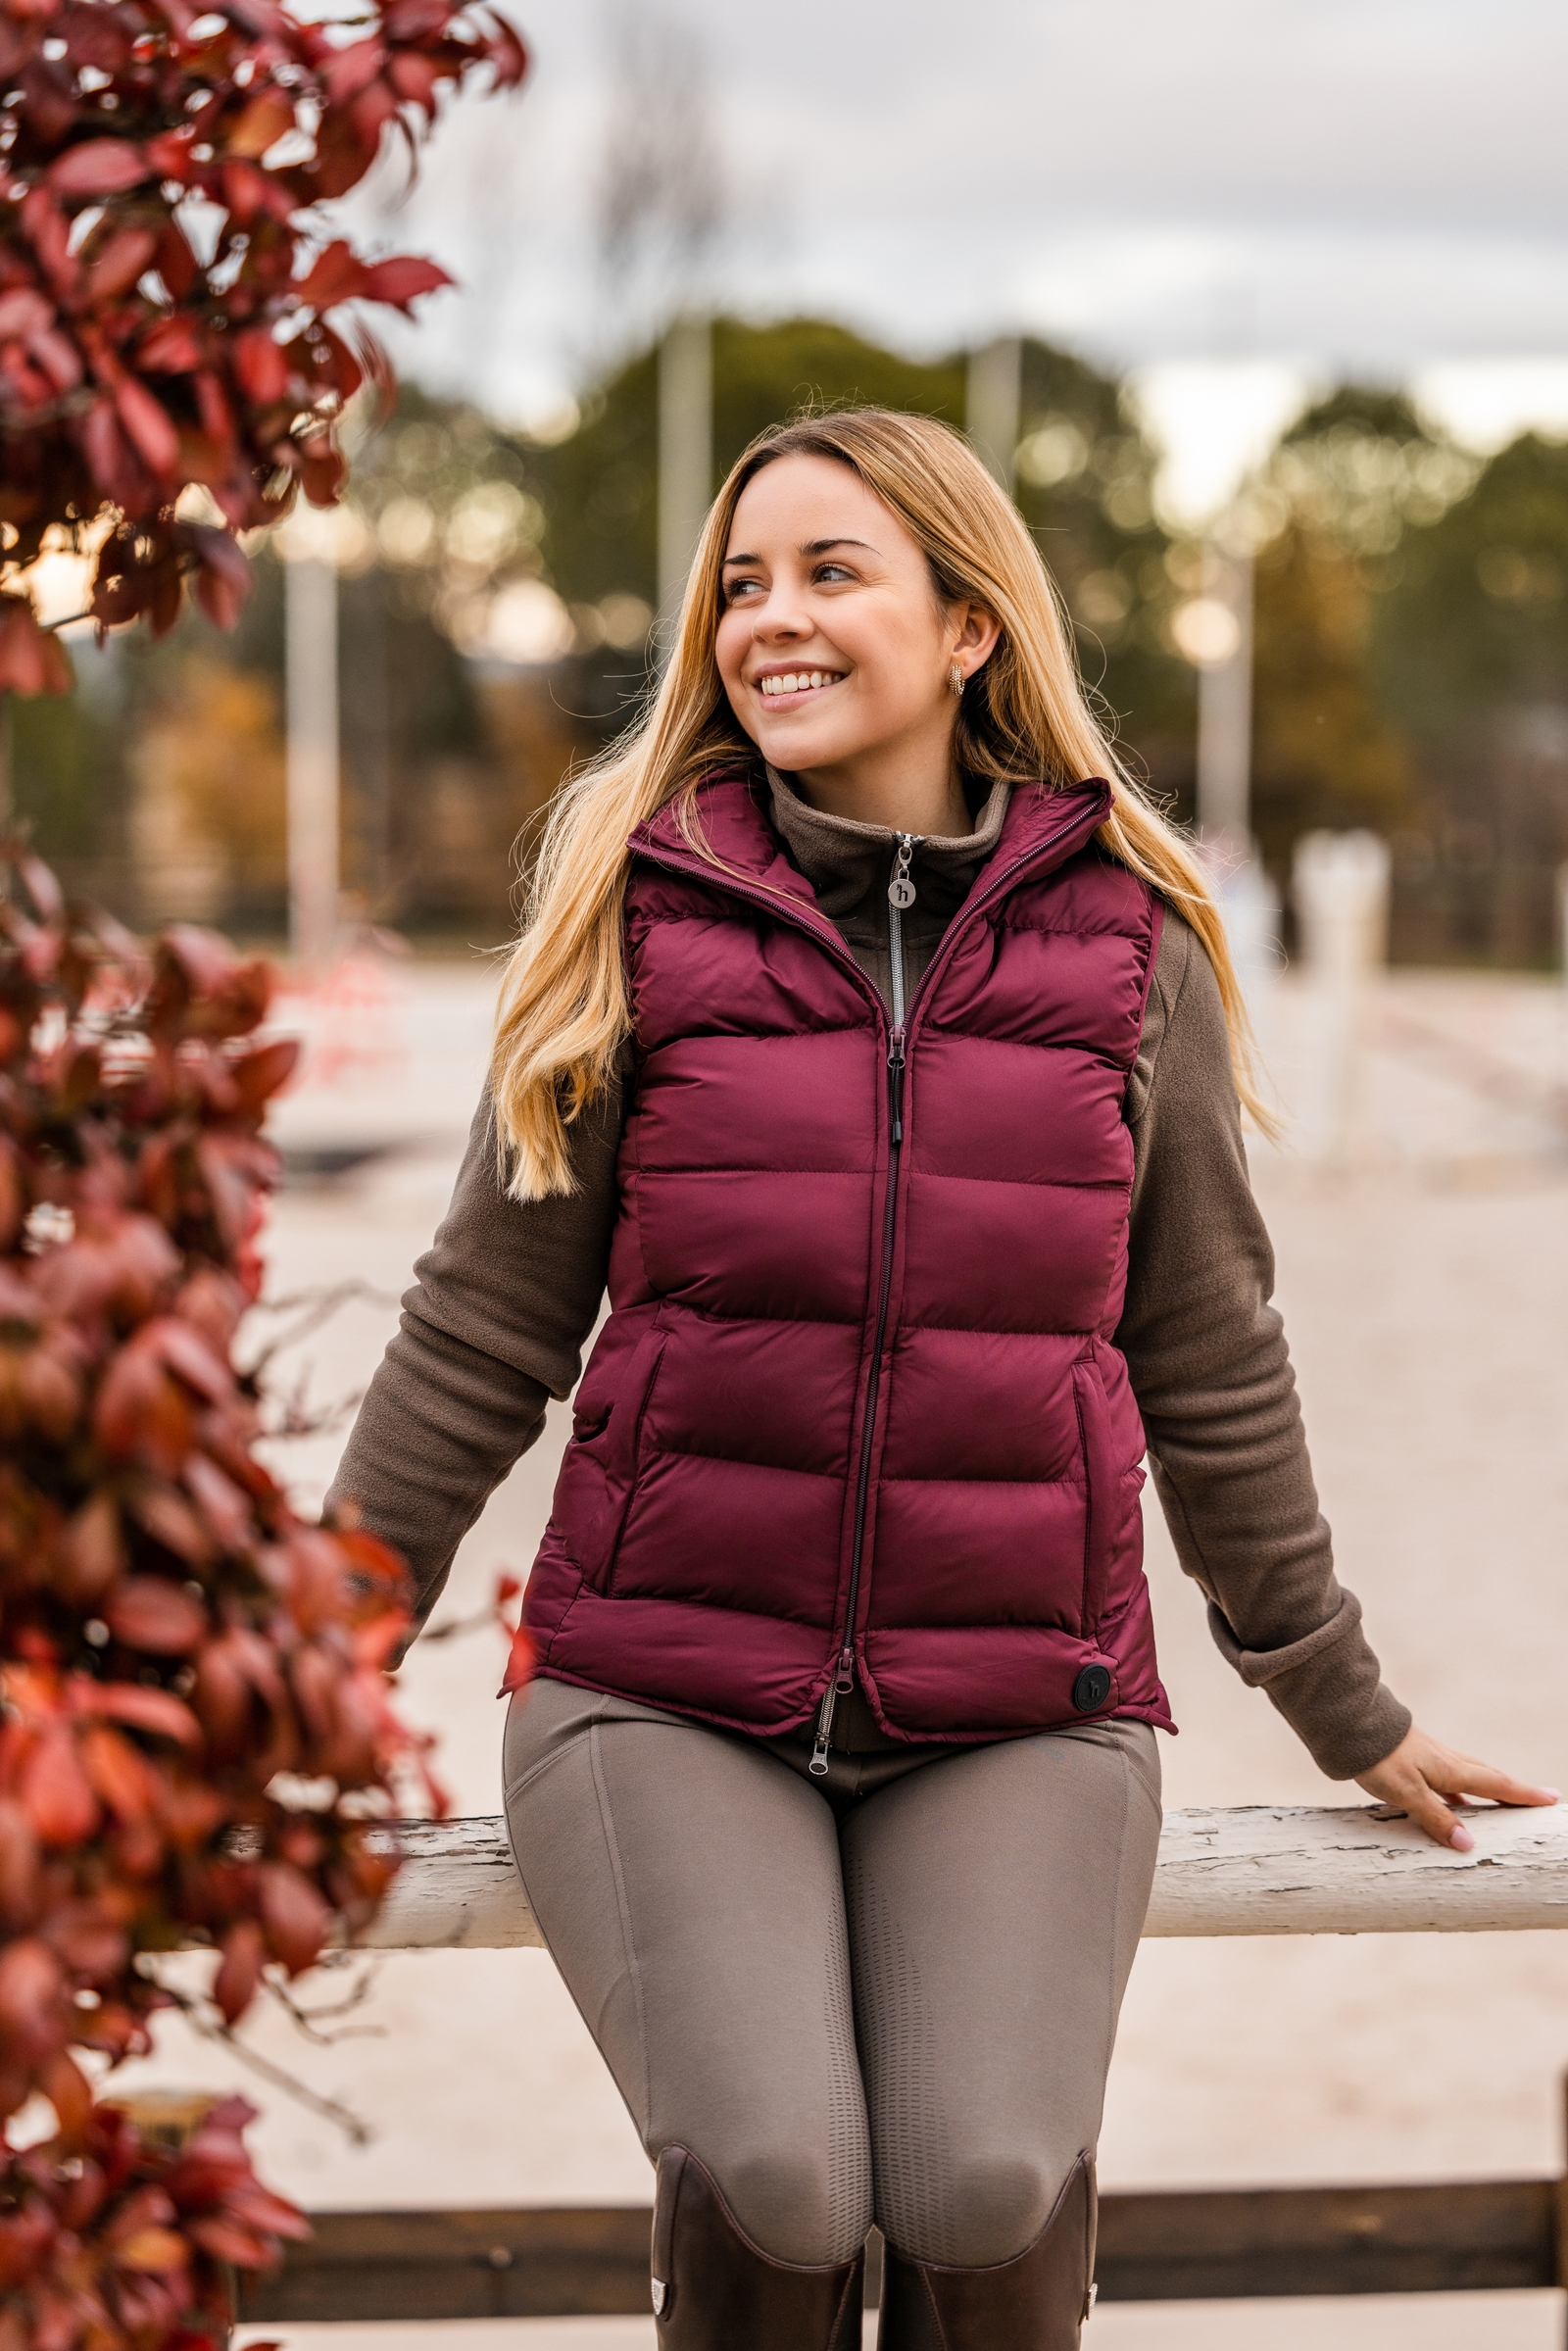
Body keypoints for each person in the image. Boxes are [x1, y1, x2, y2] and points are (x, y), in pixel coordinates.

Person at [331, 408, 1554, 2350]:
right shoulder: (631, 920)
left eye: (830, 573)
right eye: (739, 582)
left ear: (969, 622)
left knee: (983, 2188)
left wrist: (1336, 1699)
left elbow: (1206, 1342)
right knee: (777, 2185)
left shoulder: (1121, 946)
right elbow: (481, 1324)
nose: (768, 621)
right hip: (658, 1687)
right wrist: (316, 1649)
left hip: (1015, 1702)